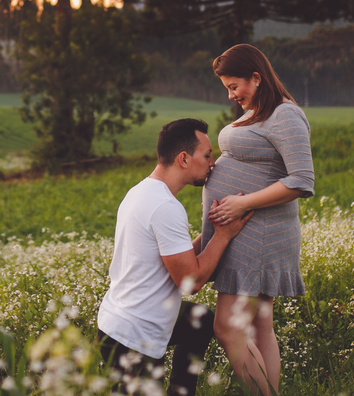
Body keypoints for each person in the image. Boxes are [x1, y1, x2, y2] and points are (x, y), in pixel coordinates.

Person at [96, 118, 252, 396]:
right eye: (206, 155)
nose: (212, 163)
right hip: (133, 337)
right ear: (183, 158)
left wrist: (211, 233)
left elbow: (170, 258)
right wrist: (223, 236)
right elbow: (190, 282)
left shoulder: (142, 191)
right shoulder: (165, 206)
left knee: (200, 319)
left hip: (118, 321)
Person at [202, 44, 314, 396]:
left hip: (260, 233)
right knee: (259, 324)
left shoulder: (285, 114)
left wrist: (241, 203)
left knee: (228, 326)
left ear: (257, 77)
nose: (232, 95)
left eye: (235, 86)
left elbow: (301, 180)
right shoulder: (258, 113)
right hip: (244, 232)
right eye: (227, 89)